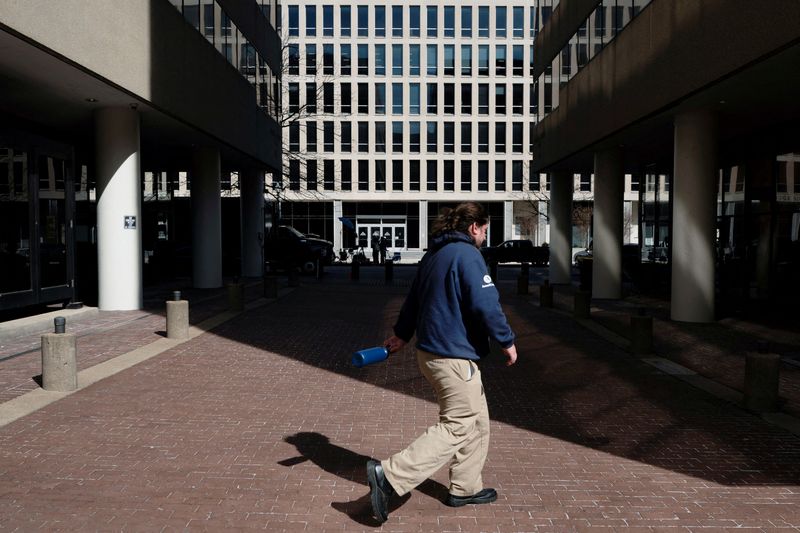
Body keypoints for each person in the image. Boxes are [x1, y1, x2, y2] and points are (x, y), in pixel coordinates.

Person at [366, 201, 517, 524]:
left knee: (477, 421)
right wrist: (506, 340)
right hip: (454, 355)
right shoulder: (468, 256)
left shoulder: (433, 256)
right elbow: (486, 303)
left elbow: (414, 300)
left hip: (433, 352)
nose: (485, 238)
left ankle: (465, 487)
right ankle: (389, 476)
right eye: (485, 231)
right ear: (474, 227)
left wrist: (402, 335)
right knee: (458, 423)